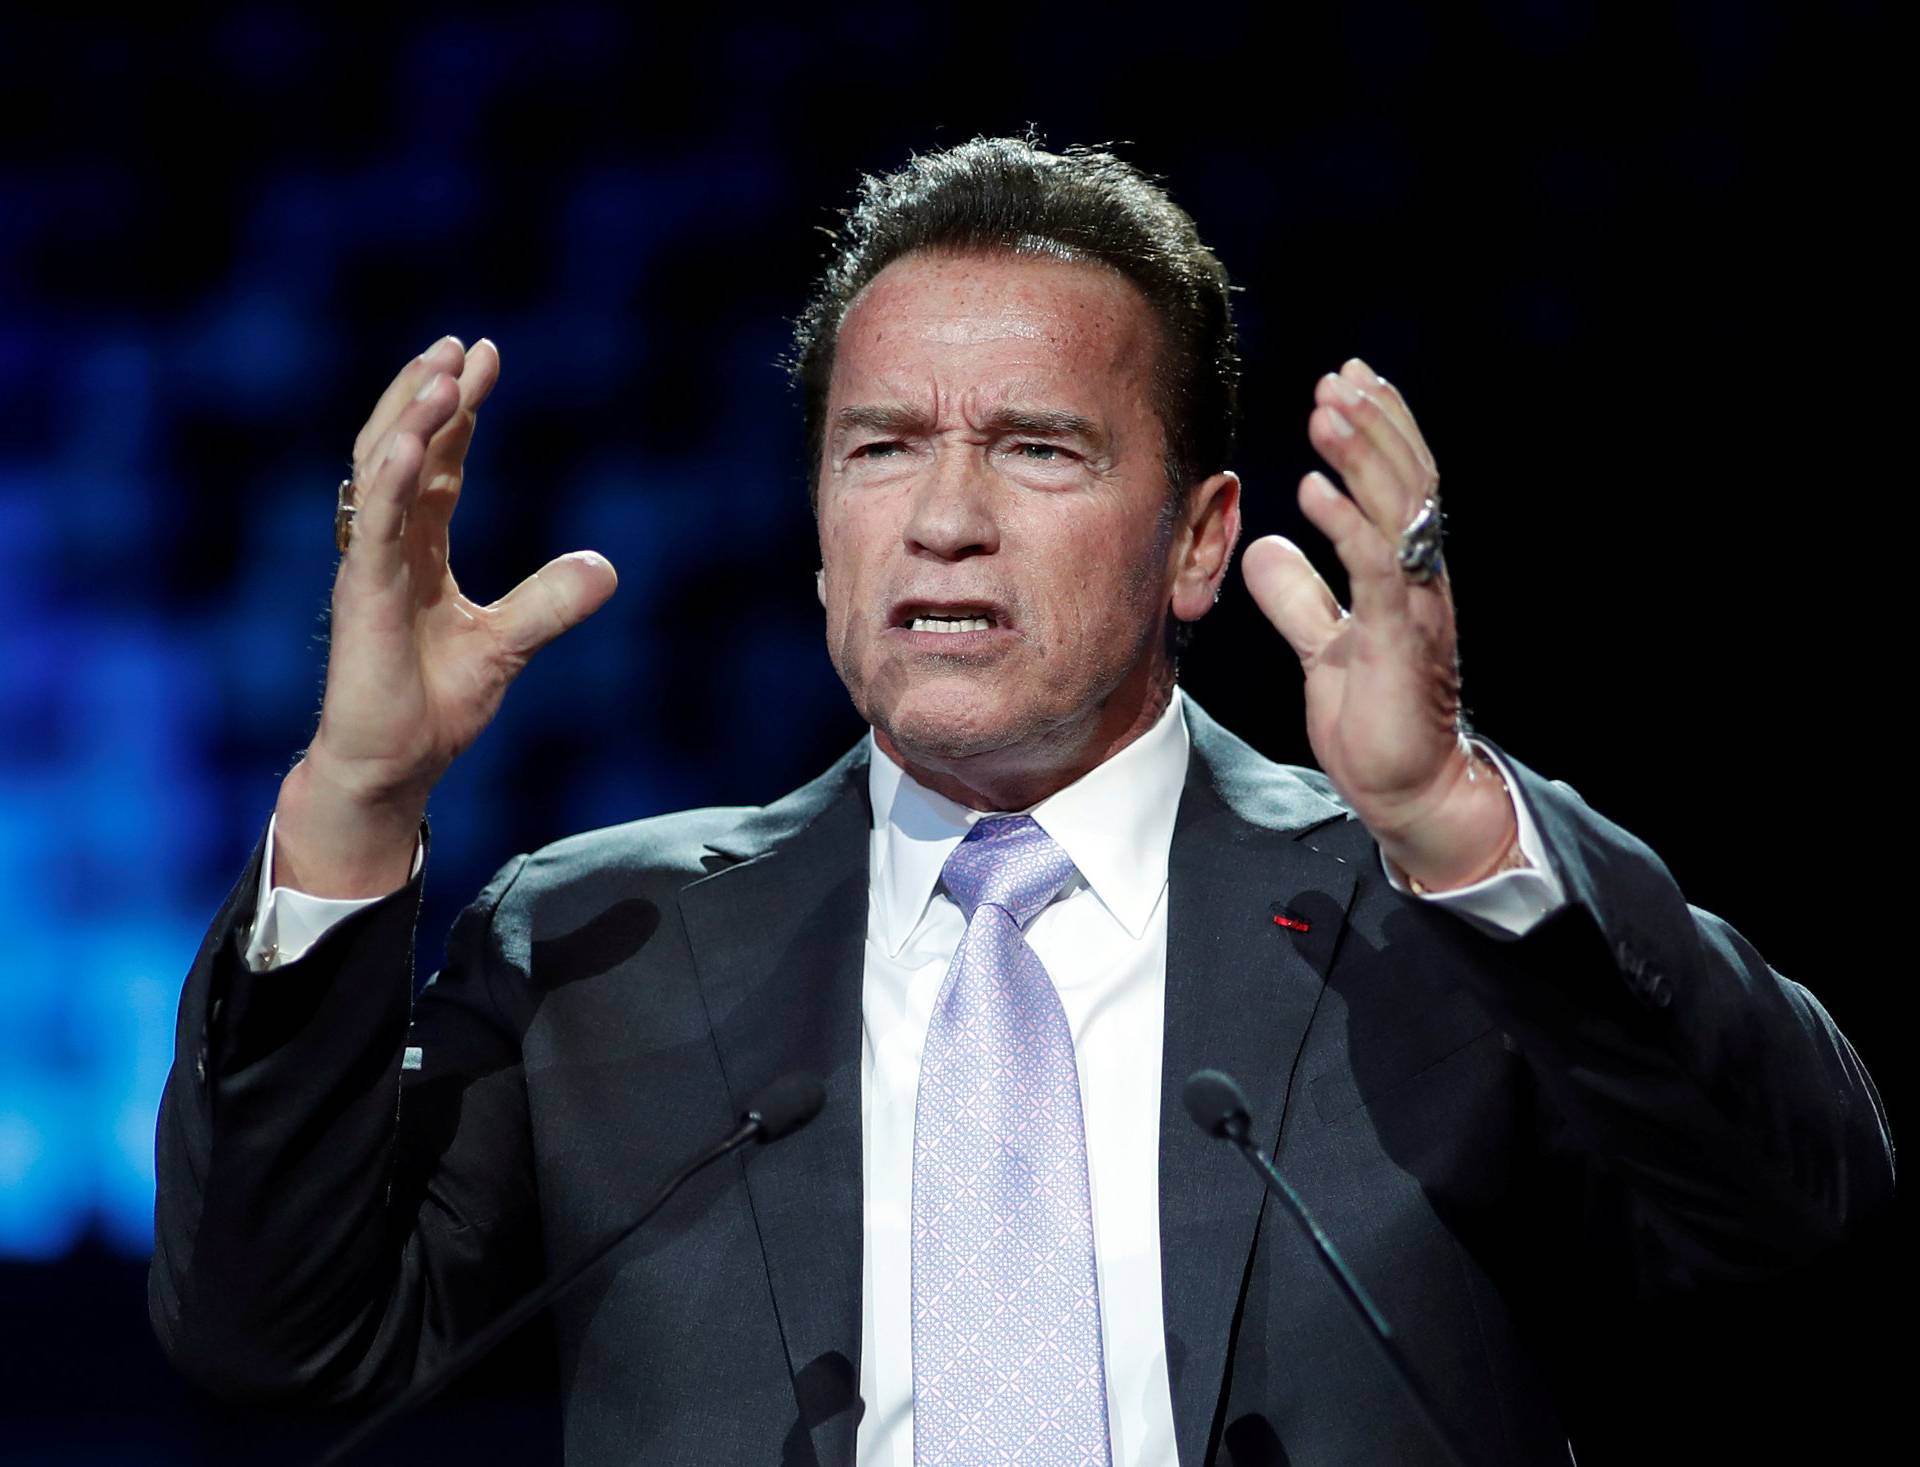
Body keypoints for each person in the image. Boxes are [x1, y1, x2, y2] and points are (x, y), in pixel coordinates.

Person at [150, 139, 1892, 1466]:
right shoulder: (601, 946)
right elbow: (278, 1350)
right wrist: (355, 803)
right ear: (821, 519)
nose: (944, 517)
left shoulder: (1428, 918)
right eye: (882, 445)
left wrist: (1449, 819)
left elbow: (1798, 1221)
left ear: (1200, 538)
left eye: (1039, 448)